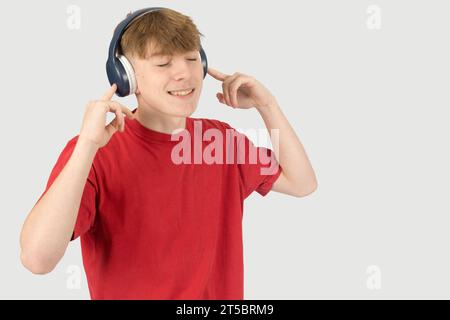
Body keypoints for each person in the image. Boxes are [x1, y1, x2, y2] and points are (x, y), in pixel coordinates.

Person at [20, 7, 317, 300]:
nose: (184, 74)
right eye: (162, 64)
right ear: (127, 78)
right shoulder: (95, 151)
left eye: (191, 58)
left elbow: (301, 183)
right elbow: (37, 259)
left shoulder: (219, 140)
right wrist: (86, 145)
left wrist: (268, 106)